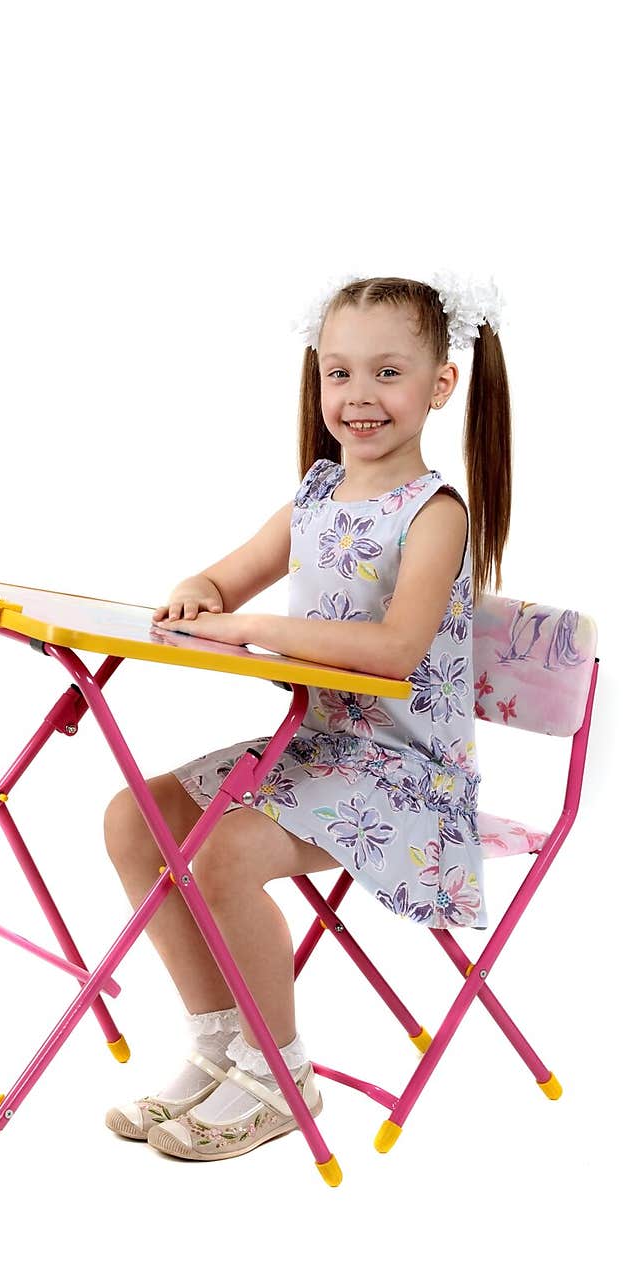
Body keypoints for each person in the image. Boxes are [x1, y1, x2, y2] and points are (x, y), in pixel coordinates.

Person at [102, 271, 512, 1162]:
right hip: (319, 752)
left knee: (227, 848)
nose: (359, 396)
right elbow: (223, 578)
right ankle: (221, 1042)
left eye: (388, 373)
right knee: (136, 818)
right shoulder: (316, 500)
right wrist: (198, 592)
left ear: (440, 386)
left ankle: (282, 1076)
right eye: (338, 373)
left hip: (408, 776)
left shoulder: (435, 514)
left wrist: (253, 627)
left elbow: (397, 651)